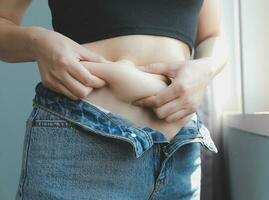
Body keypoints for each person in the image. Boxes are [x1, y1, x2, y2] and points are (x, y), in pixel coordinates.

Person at [0, 0, 228, 199]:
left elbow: (212, 35)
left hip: (180, 149)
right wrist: (38, 41)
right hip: (82, 142)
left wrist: (205, 69)